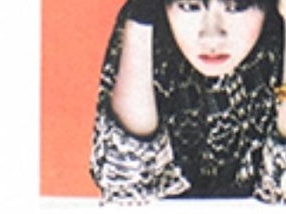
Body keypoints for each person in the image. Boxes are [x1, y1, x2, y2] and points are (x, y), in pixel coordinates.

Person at [92, 0, 286, 202]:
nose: (211, 36)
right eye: (190, 6)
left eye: (236, 6)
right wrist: (141, 22)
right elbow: (125, 183)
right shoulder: (146, 29)